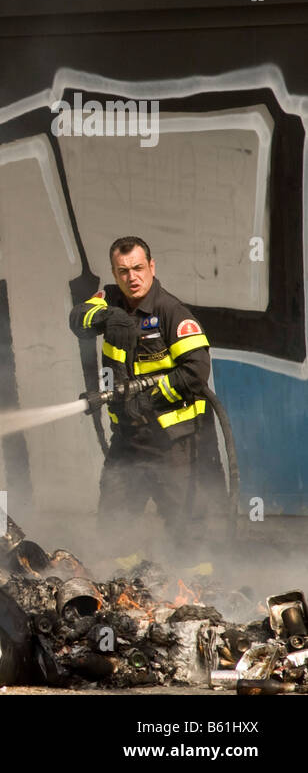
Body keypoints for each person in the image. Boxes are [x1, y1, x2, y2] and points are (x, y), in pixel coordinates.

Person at [69, 236, 226, 553]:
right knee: (114, 526)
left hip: (173, 443)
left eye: (138, 268)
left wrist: (149, 400)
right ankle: (121, 593)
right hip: (127, 440)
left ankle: (199, 592)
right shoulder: (110, 299)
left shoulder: (171, 313)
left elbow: (195, 370)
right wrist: (105, 317)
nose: (132, 277)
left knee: (188, 533)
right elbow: (78, 319)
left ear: (152, 267)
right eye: (123, 271)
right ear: (115, 274)